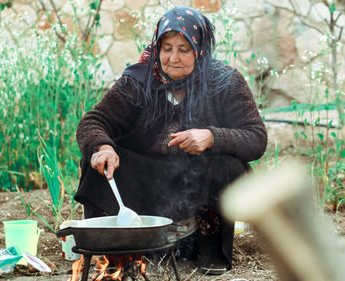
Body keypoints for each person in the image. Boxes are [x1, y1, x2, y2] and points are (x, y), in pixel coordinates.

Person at [74, 6, 267, 275]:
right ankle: (114, 247)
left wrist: (211, 137)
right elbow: (94, 122)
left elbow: (256, 138)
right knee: (96, 160)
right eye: (166, 48)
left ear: (199, 50)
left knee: (229, 166)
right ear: (157, 48)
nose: (173, 58)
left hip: (195, 187)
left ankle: (208, 245)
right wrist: (102, 147)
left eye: (184, 49)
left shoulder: (224, 82)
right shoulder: (138, 81)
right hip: (147, 183)